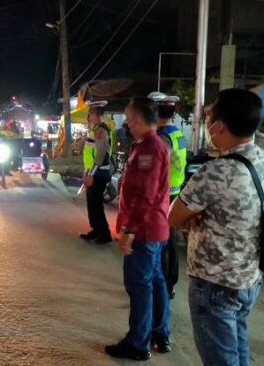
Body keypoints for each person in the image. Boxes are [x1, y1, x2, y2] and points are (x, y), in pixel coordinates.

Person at [168, 89, 264, 366]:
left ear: (220, 125)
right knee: (237, 352)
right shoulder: (262, 159)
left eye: (210, 116)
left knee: (220, 360)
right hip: (248, 278)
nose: (207, 123)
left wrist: (193, 217)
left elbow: (173, 216)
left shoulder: (216, 171)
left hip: (215, 284)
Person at [105, 97, 171, 361]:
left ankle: (138, 343)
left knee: (140, 285)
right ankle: (157, 331)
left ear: (139, 119)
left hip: (144, 231)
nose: (125, 122)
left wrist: (129, 231)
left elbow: (144, 194)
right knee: (154, 281)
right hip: (152, 229)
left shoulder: (149, 149)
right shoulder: (146, 145)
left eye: (128, 117)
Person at [148, 92, 186, 300]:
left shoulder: (162, 138)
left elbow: (155, 169)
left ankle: (163, 286)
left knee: (162, 245)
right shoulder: (176, 133)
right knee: (170, 244)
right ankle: (169, 284)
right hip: (174, 193)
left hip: (162, 198)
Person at [80, 101, 113, 244]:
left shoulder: (100, 130)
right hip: (94, 172)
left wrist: (91, 174)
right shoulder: (96, 130)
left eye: (90, 114)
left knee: (96, 205)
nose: (89, 117)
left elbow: (100, 156)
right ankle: (97, 230)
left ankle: (104, 234)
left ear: (94, 114)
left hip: (98, 174)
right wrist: (87, 172)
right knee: (93, 204)